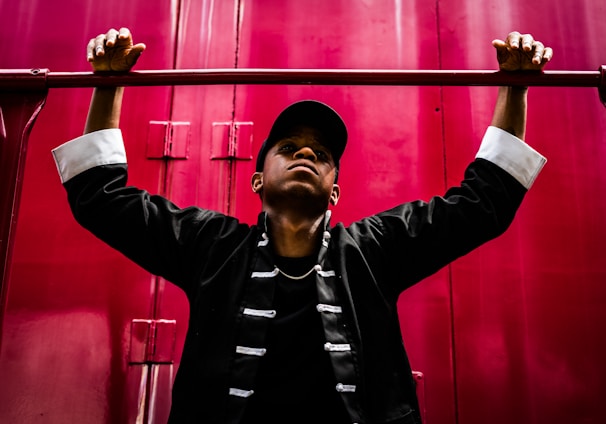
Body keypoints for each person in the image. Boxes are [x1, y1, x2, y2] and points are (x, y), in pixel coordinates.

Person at [52, 27, 552, 424]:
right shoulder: (210, 246)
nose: (306, 153)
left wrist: (516, 87)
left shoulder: (374, 250)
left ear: (334, 192)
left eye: (322, 154)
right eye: (288, 149)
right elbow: (102, 200)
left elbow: (482, 204)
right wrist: (108, 84)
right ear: (256, 181)